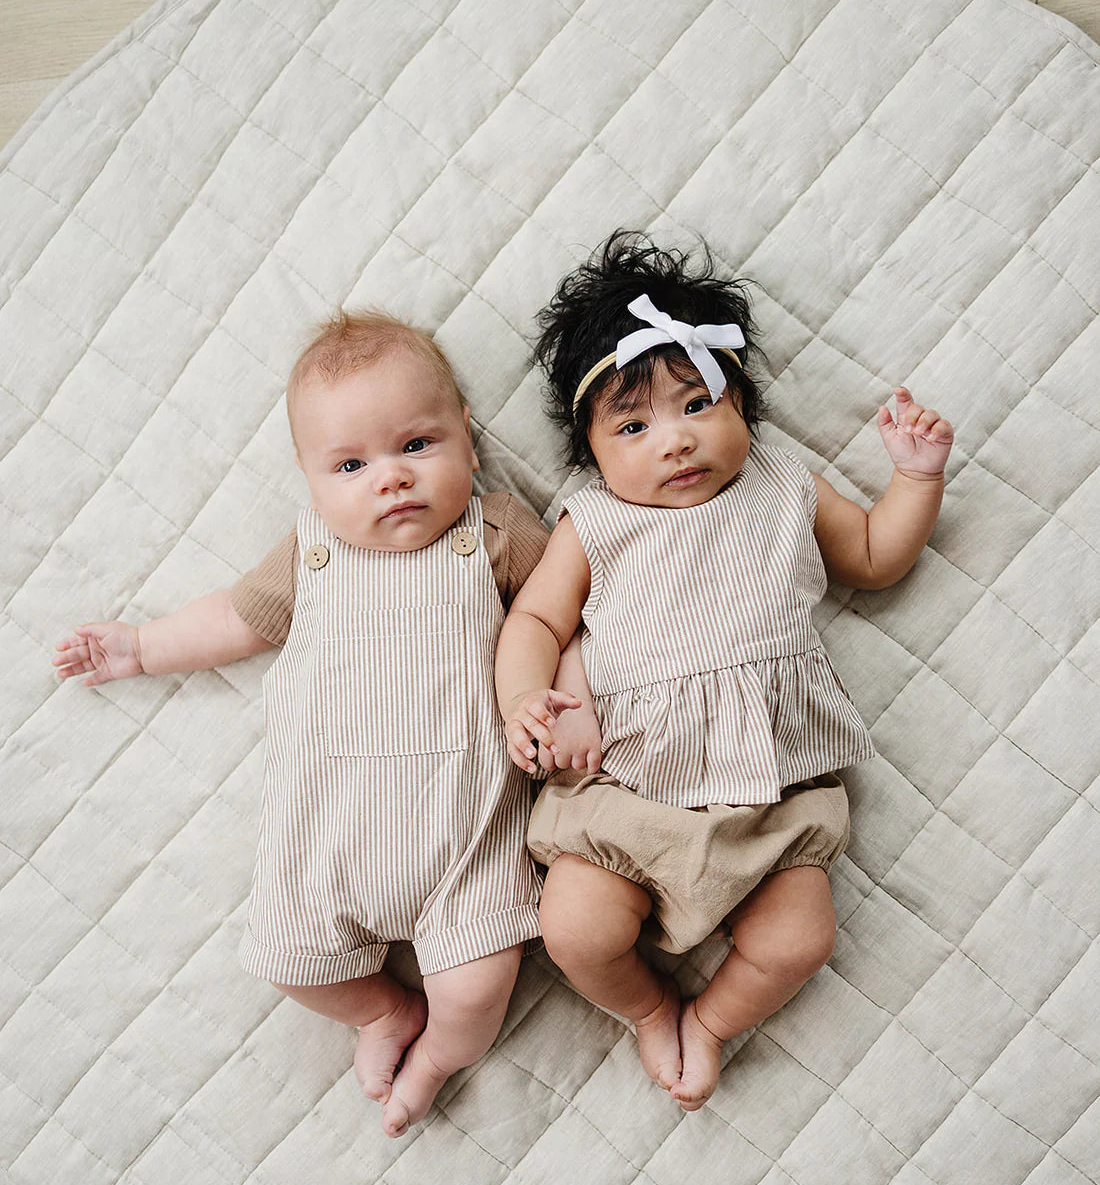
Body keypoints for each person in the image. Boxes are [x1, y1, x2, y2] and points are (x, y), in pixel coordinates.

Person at [54, 310, 579, 1138]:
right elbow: (238, 617)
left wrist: (569, 689)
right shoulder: (311, 554)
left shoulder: (494, 533)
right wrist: (141, 647)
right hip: (327, 844)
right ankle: (380, 1012)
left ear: (468, 444)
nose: (391, 479)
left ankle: (438, 1054)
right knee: (286, 961)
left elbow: (564, 607)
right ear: (311, 483)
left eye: (417, 445)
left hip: (466, 845)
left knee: (479, 986)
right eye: (351, 464)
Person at [495, 232, 954, 1113]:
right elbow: (537, 618)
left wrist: (914, 480)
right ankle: (649, 1007)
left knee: (800, 940)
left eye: (697, 403)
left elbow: (871, 554)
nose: (673, 441)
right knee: (576, 931)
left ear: (741, 403)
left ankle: (708, 1022)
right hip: (626, 790)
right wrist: (525, 695)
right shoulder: (593, 521)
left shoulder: (783, 478)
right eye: (633, 426)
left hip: (770, 796)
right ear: (593, 452)